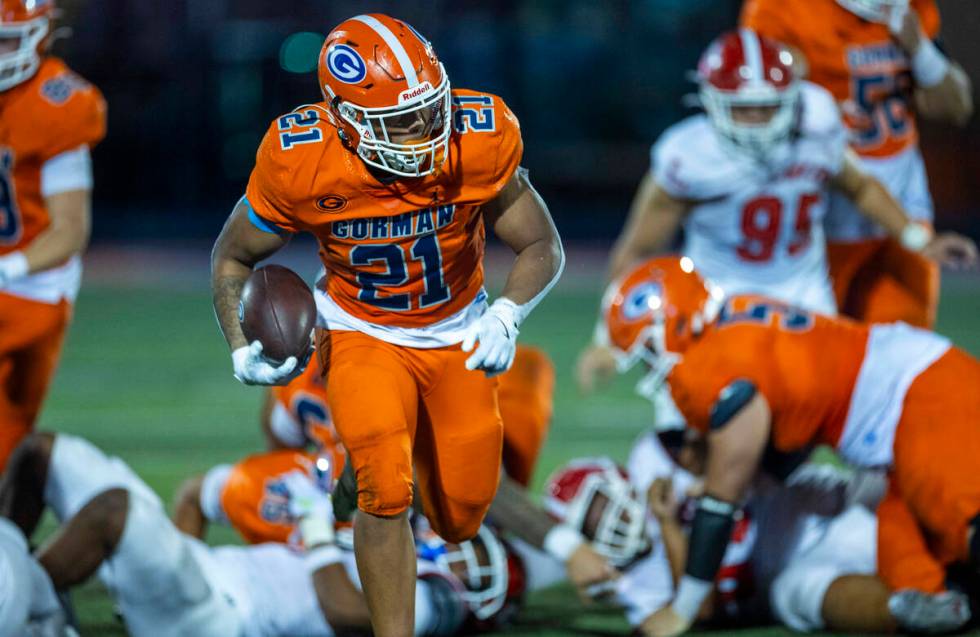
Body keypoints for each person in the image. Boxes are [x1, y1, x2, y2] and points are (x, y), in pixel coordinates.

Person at [210, 15, 564, 635]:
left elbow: (540, 245)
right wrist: (240, 345)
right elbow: (233, 255)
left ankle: (356, 480)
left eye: (432, 109)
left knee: (462, 514)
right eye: (402, 121)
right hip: (359, 331)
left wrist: (508, 314)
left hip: (457, 328)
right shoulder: (301, 160)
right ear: (345, 119)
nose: (426, 130)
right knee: (387, 492)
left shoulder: (478, 138)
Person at [575, 28, 973, 398]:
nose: (757, 121)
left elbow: (861, 186)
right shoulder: (689, 157)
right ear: (712, 103)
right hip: (714, 301)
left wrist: (919, 239)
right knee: (702, 434)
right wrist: (605, 337)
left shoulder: (815, 126)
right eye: (743, 109)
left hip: (803, 298)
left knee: (812, 425)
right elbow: (637, 250)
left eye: (767, 107)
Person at [600, 256, 980, 636]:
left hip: (919, 395)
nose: (651, 368)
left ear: (672, 323)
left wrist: (681, 610)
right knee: (911, 570)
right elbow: (792, 432)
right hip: (897, 420)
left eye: (648, 350)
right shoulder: (736, 316)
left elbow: (721, 503)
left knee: (961, 515)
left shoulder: (708, 368)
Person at [0, 432, 472, 636]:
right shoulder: (364, 520)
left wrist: (315, 530)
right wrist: (162, 576)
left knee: (113, 511)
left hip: (221, 615)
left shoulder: (431, 592)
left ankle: (21, 597)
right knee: (42, 452)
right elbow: (195, 498)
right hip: (197, 581)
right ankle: (28, 592)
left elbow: (347, 613)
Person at [545, 438, 968, 635]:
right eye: (592, 525)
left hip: (816, 499)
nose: (609, 523)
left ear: (619, 478)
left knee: (924, 481)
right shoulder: (633, 589)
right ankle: (922, 609)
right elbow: (701, 610)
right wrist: (672, 526)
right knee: (809, 597)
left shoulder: (652, 458)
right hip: (786, 573)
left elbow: (717, 437)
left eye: (603, 504)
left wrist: (707, 469)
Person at [742, 0, 974, 327]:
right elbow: (751, 113)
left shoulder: (912, 9)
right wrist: (794, 97)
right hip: (824, 209)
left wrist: (920, 51)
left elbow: (956, 108)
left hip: (903, 202)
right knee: (818, 348)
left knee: (905, 350)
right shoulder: (779, 10)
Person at [0, 0, 106, 469]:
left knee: (7, 444)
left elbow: (69, 229)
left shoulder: (57, 102)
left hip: (30, 286)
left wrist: (8, 268)